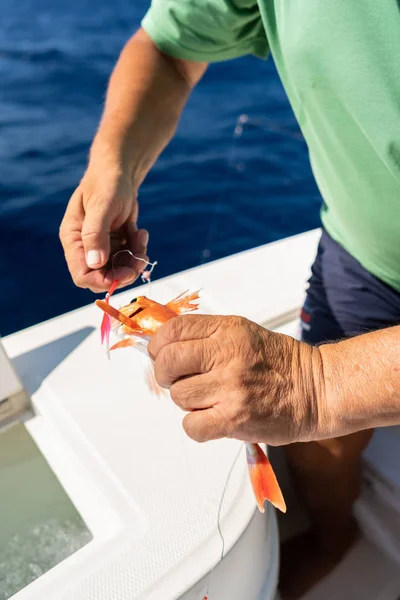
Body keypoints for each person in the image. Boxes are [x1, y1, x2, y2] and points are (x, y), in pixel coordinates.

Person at [59, 2, 400, 598]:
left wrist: (317, 385)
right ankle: (332, 537)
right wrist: (115, 164)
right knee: (321, 445)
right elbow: (167, 49)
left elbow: (315, 388)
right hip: (365, 255)